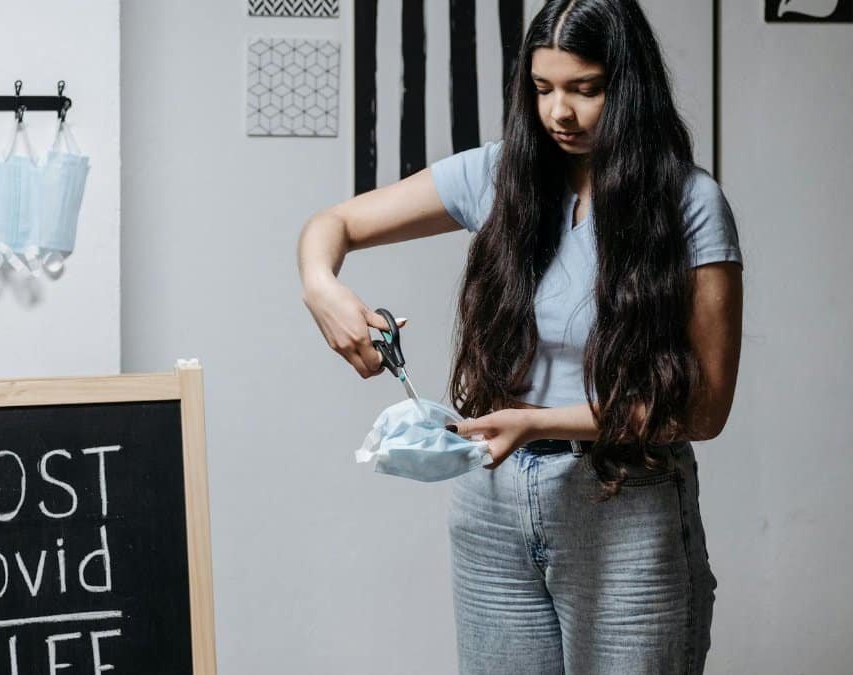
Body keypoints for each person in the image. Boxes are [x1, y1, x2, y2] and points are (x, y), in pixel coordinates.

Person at [296, 0, 743, 673]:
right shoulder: (499, 174)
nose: (559, 112)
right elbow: (334, 223)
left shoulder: (690, 203)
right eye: (542, 89)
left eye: (584, 90)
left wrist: (536, 423)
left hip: (627, 503)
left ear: (628, 87)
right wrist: (323, 287)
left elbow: (704, 410)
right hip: (493, 504)